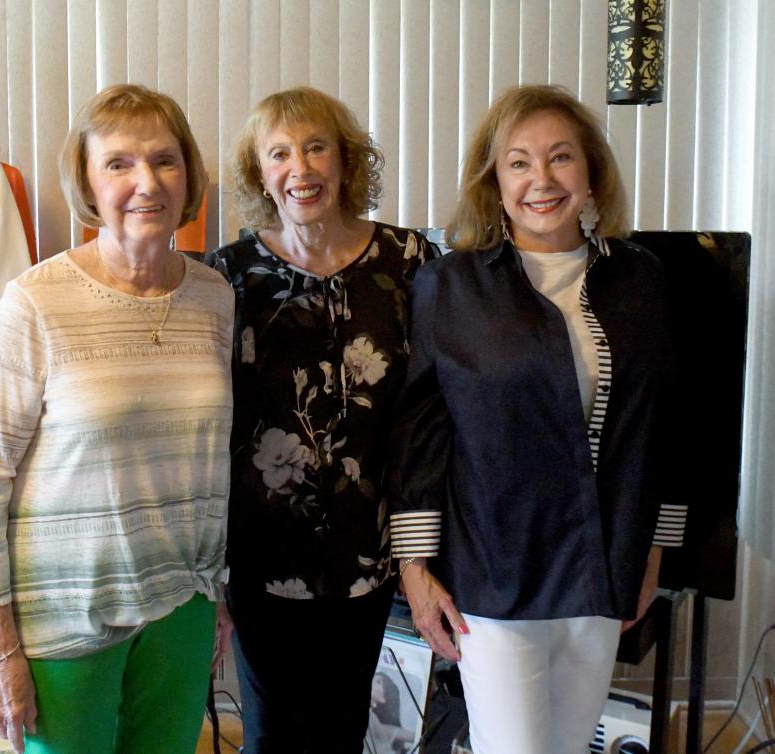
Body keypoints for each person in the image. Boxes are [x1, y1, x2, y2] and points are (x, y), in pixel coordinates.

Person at [389, 84, 685, 754]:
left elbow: (664, 427)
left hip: (604, 563)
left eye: (560, 158)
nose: (541, 180)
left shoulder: (641, 279)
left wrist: (653, 548)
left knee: (570, 744)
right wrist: (414, 565)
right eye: (519, 162)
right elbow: (418, 437)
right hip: (494, 574)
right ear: (494, 181)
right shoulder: (452, 286)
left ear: (591, 173)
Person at [0, 84, 234, 754]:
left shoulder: (214, 298)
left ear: (188, 175)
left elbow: (213, 461)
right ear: (86, 180)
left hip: (181, 608)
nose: (146, 183)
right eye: (119, 164)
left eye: (165, 161)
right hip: (61, 622)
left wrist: (215, 597)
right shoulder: (36, 304)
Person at [208, 86, 437, 753]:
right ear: (260, 174)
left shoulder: (409, 263)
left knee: (343, 729)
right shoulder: (230, 275)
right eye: (279, 153)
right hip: (261, 553)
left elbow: (429, 412)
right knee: (271, 734)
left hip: (367, 548)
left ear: (344, 161)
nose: (300, 168)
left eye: (316, 147)